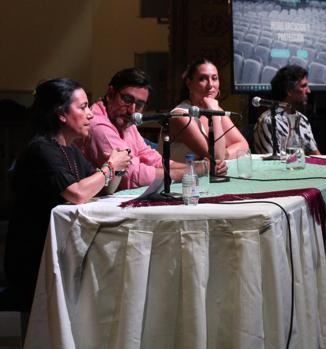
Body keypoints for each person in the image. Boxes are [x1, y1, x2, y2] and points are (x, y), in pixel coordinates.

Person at [4, 78, 131, 310]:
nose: (90, 114)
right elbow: (77, 194)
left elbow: (104, 188)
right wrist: (110, 167)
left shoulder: (70, 149)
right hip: (34, 258)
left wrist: (119, 166)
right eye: (82, 107)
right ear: (62, 114)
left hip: (61, 252)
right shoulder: (41, 149)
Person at [79, 68, 186, 189]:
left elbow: (149, 157)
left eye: (139, 104)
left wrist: (191, 168)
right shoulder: (98, 126)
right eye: (127, 99)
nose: (132, 110)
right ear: (110, 94)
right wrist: (187, 174)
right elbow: (133, 175)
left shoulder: (123, 120)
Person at [161, 58, 246, 173]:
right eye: (202, 79)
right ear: (189, 83)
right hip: (181, 184)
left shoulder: (215, 108)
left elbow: (243, 146)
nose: (211, 85)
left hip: (202, 181)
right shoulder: (180, 116)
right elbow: (216, 157)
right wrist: (215, 115)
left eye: (214, 78)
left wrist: (224, 154)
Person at [253, 64, 321, 155]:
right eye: (304, 86)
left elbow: (316, 156)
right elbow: (271, 163)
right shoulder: (269, 121)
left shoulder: (303, 120)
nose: (309, 91)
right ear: (289, 91)